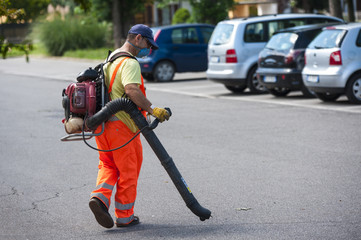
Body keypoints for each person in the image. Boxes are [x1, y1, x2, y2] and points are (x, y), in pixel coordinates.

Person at [88, 24, 170, 228]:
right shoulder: (129, 63)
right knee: (128, 171)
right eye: (148, 44)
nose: (148, 49)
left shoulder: (111, 58)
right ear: (138, 39)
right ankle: (125, 216)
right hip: (122, 127)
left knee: (108, 165)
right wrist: (153, 110)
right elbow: (131, 89)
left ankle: (99, 198)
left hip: (102, 126)